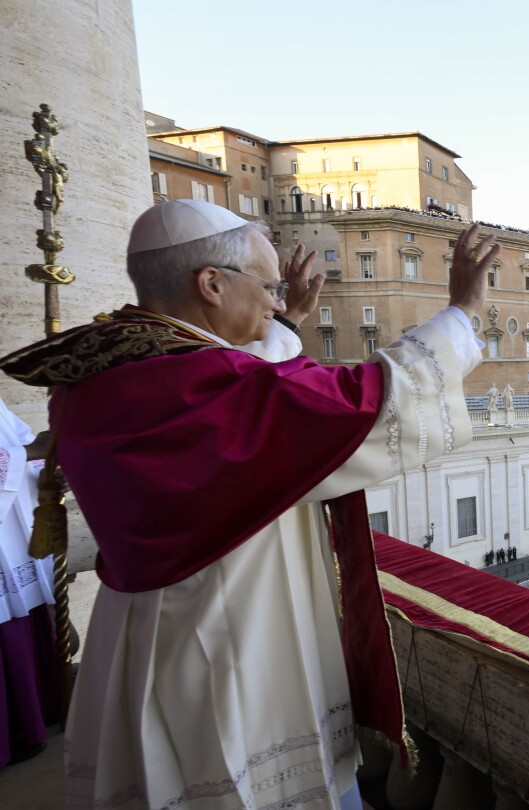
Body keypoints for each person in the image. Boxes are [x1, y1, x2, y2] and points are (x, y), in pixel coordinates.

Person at [0, 199, 500, 809]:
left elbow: (252, 388)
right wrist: (461, 315)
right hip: (223, 638)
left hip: (149, 629)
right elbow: (361, 401)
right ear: (210, 283)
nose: (274, 300)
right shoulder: (195, 386)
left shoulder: (115, 366)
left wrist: (278, 325)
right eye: (265, 287)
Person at [0, 397, 58, 771]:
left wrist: (45, 469)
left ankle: (32, 722)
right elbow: (25, 446)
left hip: (14, 539)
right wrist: (33, 450)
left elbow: (19, 443)